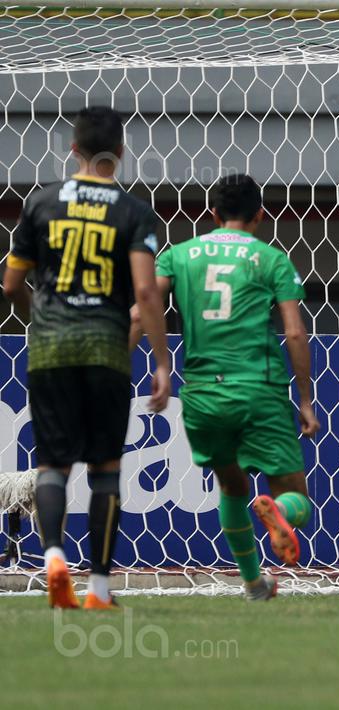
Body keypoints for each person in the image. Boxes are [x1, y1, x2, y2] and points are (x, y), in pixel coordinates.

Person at [3, 105, 171, 609]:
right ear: (120, 152)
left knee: (52, 465)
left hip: (50, 349)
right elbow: (146, 292)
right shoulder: (134, 212)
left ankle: (54, 557)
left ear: (73, 148)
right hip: (105, 351)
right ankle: (98, 587)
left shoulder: (41, 203)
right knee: (105, 471)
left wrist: (40, 316)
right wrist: (161, 362)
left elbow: (10, 284)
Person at [150, 173, 319, 601]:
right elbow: (295, 332)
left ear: (213, 214)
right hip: (259, 389)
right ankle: (278, 511)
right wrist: (304, 398)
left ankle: (253, 583)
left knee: (231, 486)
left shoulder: (178, 255)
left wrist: (160, 364)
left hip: (203, 393)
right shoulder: (271, 259)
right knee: (296, 498)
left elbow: (143, 307)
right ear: (260, 215)